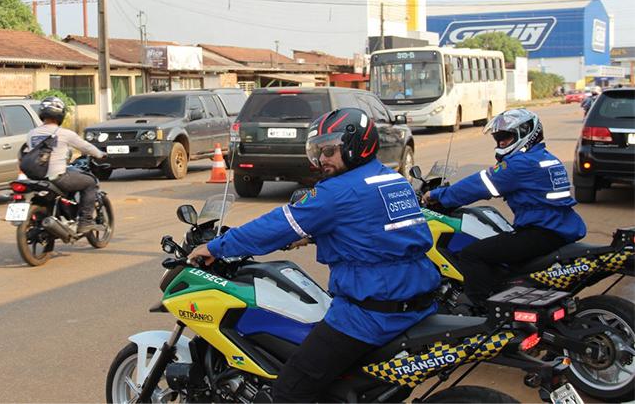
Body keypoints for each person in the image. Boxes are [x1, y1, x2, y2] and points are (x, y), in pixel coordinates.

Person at [188, 108, 440, 403]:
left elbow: (274, 226)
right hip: (416, 299)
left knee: (289, 391)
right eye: (318, 151)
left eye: (329, 151)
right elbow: (375, 230)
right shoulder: (391, 179)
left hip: (371, 314)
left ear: (356, 146)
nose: (322, 159)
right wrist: (316, 235)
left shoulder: (337, 191)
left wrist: (215, 247)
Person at [422, 109, 586, 304]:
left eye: (506, 138)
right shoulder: (547, 158)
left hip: (541, 232)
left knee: (471, 254)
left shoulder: (520, 164)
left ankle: (482, 309)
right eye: (498, 139)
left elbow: (479, 185)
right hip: (559, 228)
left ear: (526, 134)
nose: (501, 143)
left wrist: (437, 195)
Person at [26, 97, 107, 233]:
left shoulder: (31, 134)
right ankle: (85, 221)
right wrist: (100, 154)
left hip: (37, 178)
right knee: (90, 182)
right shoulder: (65, 133)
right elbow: (86, 147)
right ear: (60, 115)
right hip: (57, 177)